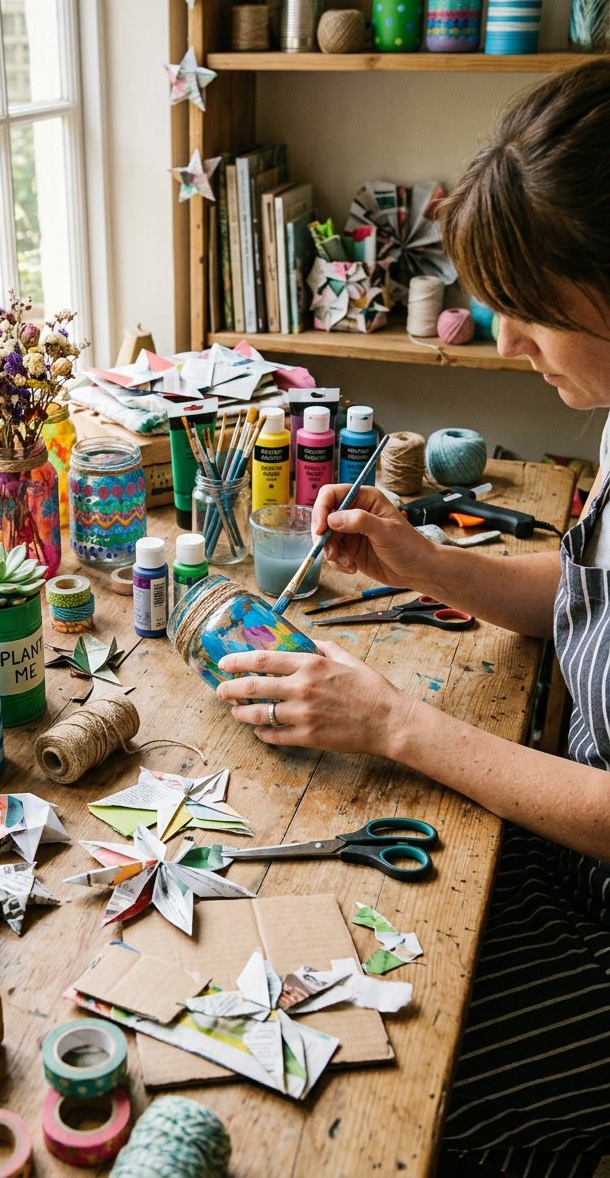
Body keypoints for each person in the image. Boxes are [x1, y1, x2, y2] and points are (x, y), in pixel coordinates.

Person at [215, 57, 610, 1178]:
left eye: (529, 311)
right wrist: (423, 559)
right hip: (563, 857)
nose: (498, 344)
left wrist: (399, 723)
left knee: (352, 1107)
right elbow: (586, 590)